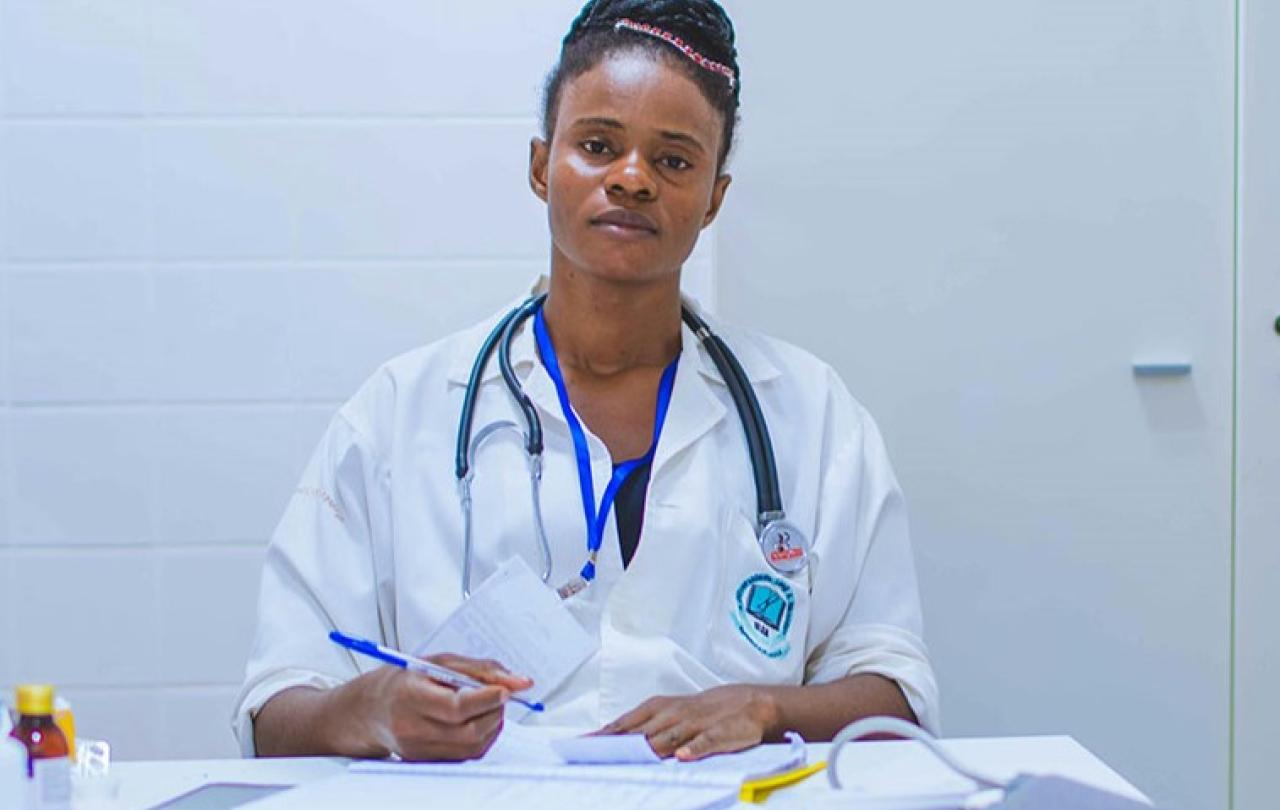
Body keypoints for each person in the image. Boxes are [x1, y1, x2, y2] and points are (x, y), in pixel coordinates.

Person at [235, 0, 938, 763]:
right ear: (542, 167)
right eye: (599, 146)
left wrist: (768, 708)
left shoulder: (810, 413)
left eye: (673, 160)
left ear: (714, 199)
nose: (632, 179)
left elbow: (895, 692)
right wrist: (366, 711)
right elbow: (276, 706)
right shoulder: (400, 413)